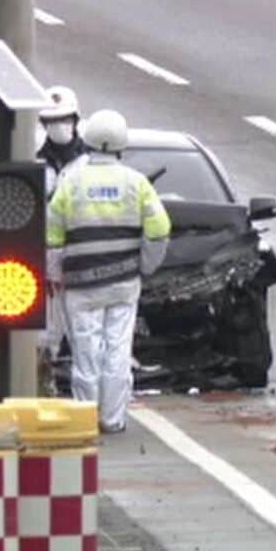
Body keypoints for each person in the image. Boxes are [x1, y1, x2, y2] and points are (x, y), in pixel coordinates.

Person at [46, 109, 172, 433]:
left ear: (87, 141)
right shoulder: (136, 183)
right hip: (123, 283)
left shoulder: (70, 183)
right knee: (118, 350)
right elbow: (159, 230)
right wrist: (144, 265)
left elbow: (53, 235)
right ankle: (113, 419)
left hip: (81, 286)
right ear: (121, 144)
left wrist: (55, 274)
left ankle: (85, 419)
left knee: (85, 353)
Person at [37, 86, 88, 394]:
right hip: (45, 259)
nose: (58, 126)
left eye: (64, 119)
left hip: (81, 257)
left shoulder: (91, 163)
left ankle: (87, 396)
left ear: (75, 119)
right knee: (45, 334)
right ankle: (47, 387)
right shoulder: (35, 163)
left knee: (84, 333)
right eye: (50, 121)